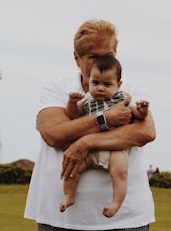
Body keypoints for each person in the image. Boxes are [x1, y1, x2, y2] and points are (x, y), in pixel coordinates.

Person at [24, 19, 156, 231]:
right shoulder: (58, 88)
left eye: (109, 56)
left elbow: (146, 132)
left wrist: (86, 141)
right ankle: (69, 196)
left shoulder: (129, 89)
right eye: (93, 56)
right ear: (77, 58)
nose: (101, 62)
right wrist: (107, 119)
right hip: (60, 220)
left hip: (125, 219)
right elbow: (55, 134)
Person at [60, 55, 149, 217]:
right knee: (74, 168)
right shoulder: (87, 99)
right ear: (89, 82)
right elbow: (72, 114)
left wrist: (142, 110)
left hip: (114, 147)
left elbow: (137, 114)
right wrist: (72, 102)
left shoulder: (122, 98)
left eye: (107, 84)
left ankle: (116, 203)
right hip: (90, 150)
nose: (100, 88)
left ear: (118, 85)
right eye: (95, 83)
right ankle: (69, 195)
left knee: (120, 172)